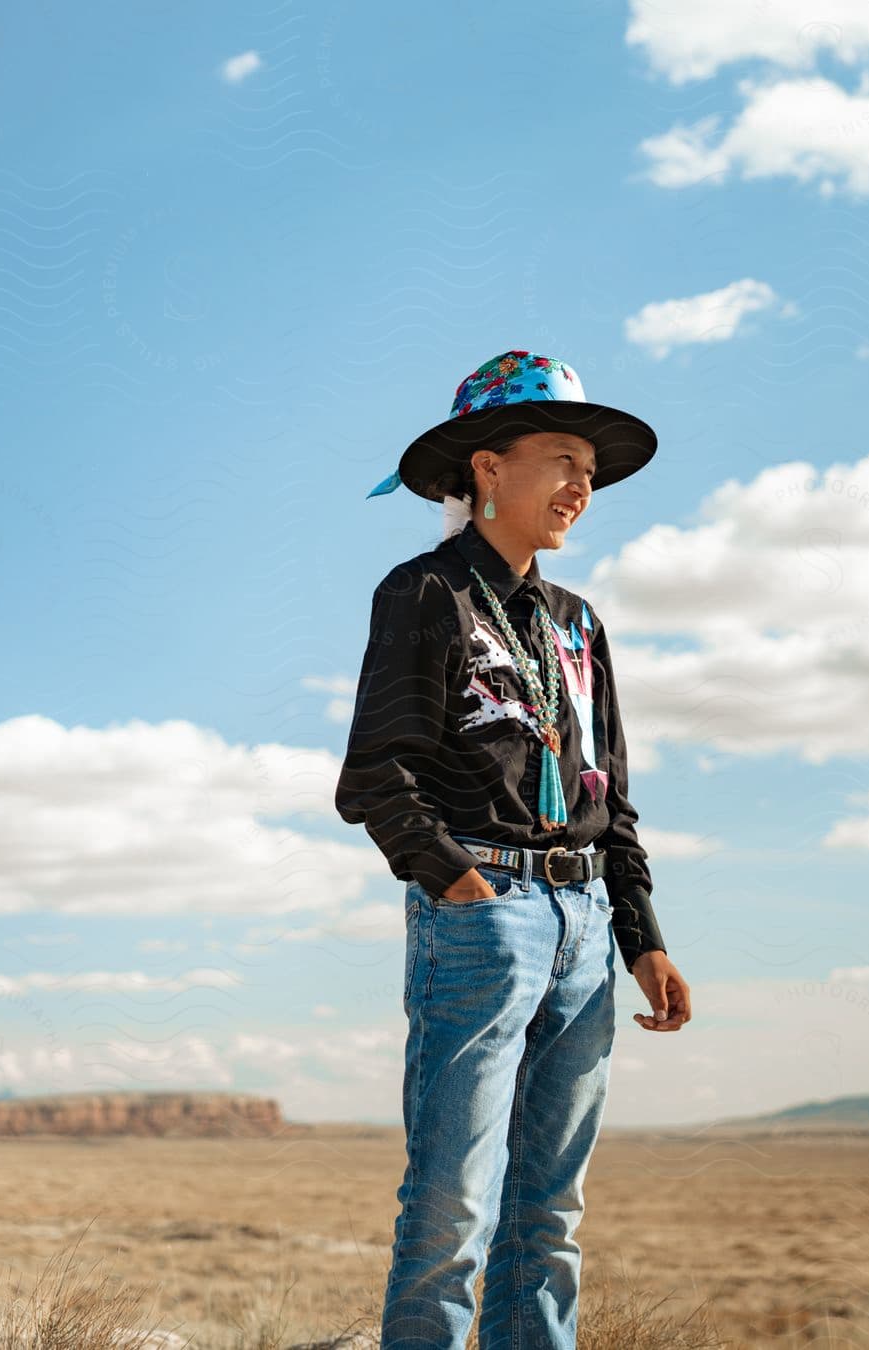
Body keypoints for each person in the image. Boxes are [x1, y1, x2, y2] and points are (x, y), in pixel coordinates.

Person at [336, 349, 693, 1349]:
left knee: (552, 1212)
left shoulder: (581, 626)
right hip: (483, 913)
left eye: (592, 468)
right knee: (455, 1205)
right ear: (489, 468)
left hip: (587, 929)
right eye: (563, 459)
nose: (583, 484)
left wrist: (642, 938)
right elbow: (375, 777)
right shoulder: (424, 594)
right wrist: (461, 889)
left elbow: (608, 796)